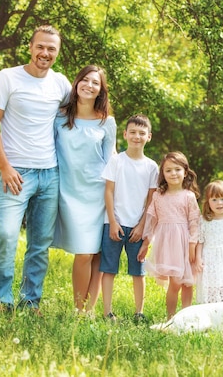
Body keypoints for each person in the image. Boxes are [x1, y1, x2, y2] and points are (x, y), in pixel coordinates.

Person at [0, 25, 72, 315]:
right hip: (15, 173)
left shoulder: (61, 84)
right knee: (7, 235)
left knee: (40, 243)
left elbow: (78, 117)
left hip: (50, 173)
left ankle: (31, 300)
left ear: (57, 53)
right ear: (30, 47)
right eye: (41, 47)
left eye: (51, 49)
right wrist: (4, 166)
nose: (45, 53)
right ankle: (1, 299)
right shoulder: (8, 77)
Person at [51, 65, 116, 315]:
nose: (89, 85)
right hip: (70, 193)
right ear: (77, 83)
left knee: (96, 253)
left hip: (99, 193)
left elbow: (111, 159)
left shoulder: (106, 122)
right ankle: (79, 310)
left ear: (101, 90)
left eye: (95, 83)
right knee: (83, 253)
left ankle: (88, 310)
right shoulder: (59, 117)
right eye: (85, 80)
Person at [100, 114, 159, 322]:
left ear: (149, 137)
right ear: (125, 135)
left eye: (142, 133)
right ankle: (107, 311)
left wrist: (142, 226)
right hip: (114, 224)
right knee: (108, 268)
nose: (137, 136)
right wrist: (113, 222)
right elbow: (108, 192)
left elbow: (152, 199)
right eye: (133, 132)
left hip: (137, 227)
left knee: (138, 271)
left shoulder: (152, 166)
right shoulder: (116, 161)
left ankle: (139, 312)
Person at [140, 151, 201, 319]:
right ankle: (171, 318)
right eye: (168, 170)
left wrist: (192, 245)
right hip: (168, 244)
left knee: (188, 283)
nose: (173, 173)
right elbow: (152, 221)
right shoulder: (159, 196)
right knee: (175, 282)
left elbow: (195, 222)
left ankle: (186, 317)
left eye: (177, 169)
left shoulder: (188, 196)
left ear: (185, 172)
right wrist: (146, 244)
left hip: (186, 243)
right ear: (163, 174)